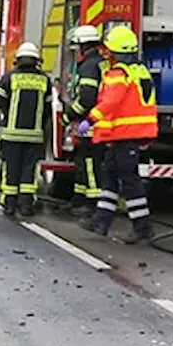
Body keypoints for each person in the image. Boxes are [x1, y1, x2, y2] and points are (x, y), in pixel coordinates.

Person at [78, 26, 158, 243]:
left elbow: (110, 102)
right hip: (130, 133)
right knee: (111, 175)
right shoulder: (139, 70)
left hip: (125, 134)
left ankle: (143, 227)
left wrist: (90, 119)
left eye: (109, 50)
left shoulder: (119, 73)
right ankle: (101, 221)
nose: (106, 54)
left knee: (129, 180)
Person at [0, 42, 51, 217]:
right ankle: (26, 205)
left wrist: (6, 115)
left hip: (12, 134)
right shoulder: (44, 79)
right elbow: (47, 109)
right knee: (29, 171)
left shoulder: (10, 77)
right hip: (34, 136)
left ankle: (10, 204)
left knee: (11, 169)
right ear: (36, 60)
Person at [63, 25, 107, 218]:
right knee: (83, 163)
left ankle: (92, 205)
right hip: (100, 123)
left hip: (92, 125)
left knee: (90, 165)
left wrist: (70, 115)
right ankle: (79, 200)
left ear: (82, 46)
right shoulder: (102, 63)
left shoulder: (89, 66)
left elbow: (87, 99)